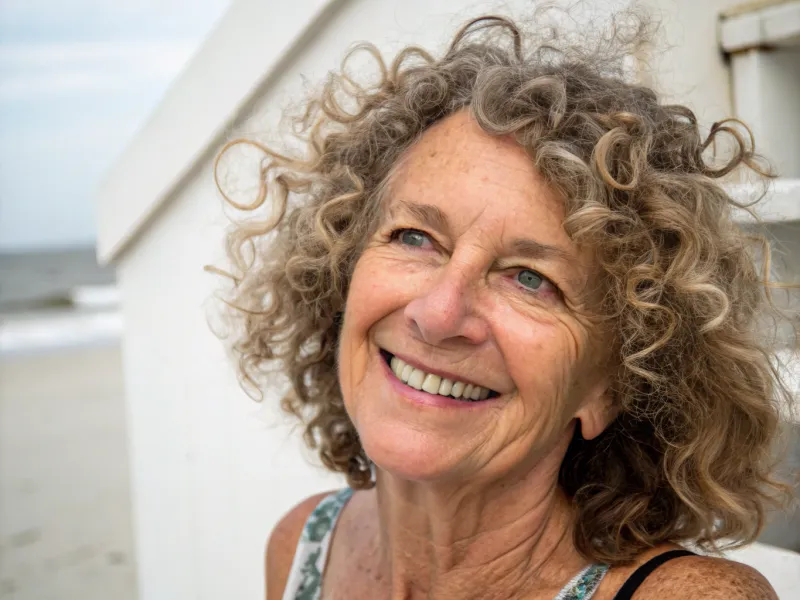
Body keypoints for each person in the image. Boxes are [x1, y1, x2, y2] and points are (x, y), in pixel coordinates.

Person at [214, 10, 793, 600]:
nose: (438, 314)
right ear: (342, 273)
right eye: (415, 238)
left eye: (530, 279)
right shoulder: (303, 545)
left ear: (615, 384)